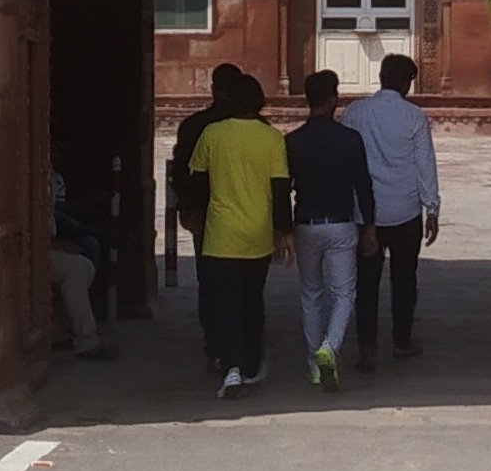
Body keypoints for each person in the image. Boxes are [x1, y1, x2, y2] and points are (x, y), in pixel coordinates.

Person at [182, 69, 289, 397]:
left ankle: (229, 367)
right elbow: (281, 188)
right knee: (251, 302)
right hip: (256, 235)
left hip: (220, 233)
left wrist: (193, 214)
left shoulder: (212, 134)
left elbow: (196, 182)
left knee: (223, 304)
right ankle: (251, 363)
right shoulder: (272, 138)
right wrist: (283, 231)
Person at [284, 68, 377, 389]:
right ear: (334, 99)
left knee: (311, 294)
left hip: (306, 223)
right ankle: (330, 347)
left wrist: (282, 229)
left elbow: (283, 189)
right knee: (343, 293)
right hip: (341, 224)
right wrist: (370, 226)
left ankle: (313, 362)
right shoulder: (350, 140)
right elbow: (363, 186)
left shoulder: (293, 142)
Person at [346, 49, 440, 366]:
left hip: (365, 213)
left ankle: (366, 345)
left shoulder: (355, 113)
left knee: (366, 281)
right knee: (404, 279)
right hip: (405, 210)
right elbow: (424, 164)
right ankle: (401, 340)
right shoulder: (413, 117)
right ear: (406, 82)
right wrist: (433, 208)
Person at [169, 64, 254, 371]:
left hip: (208, 213)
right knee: (247, 284)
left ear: (215, 88)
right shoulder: (257, 127)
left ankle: (216, 345)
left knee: (212, 282)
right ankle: (245, 344)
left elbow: (182, 173)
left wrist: (186, 208)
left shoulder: (196, 126)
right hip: (249, 213)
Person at [46, 169, 117, 360]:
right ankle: (86, 339)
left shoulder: (49, 176)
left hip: (46, 243)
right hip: (34, 251)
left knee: (84, 265)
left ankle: (62, 330)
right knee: (75, 268)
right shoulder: (30, 178)